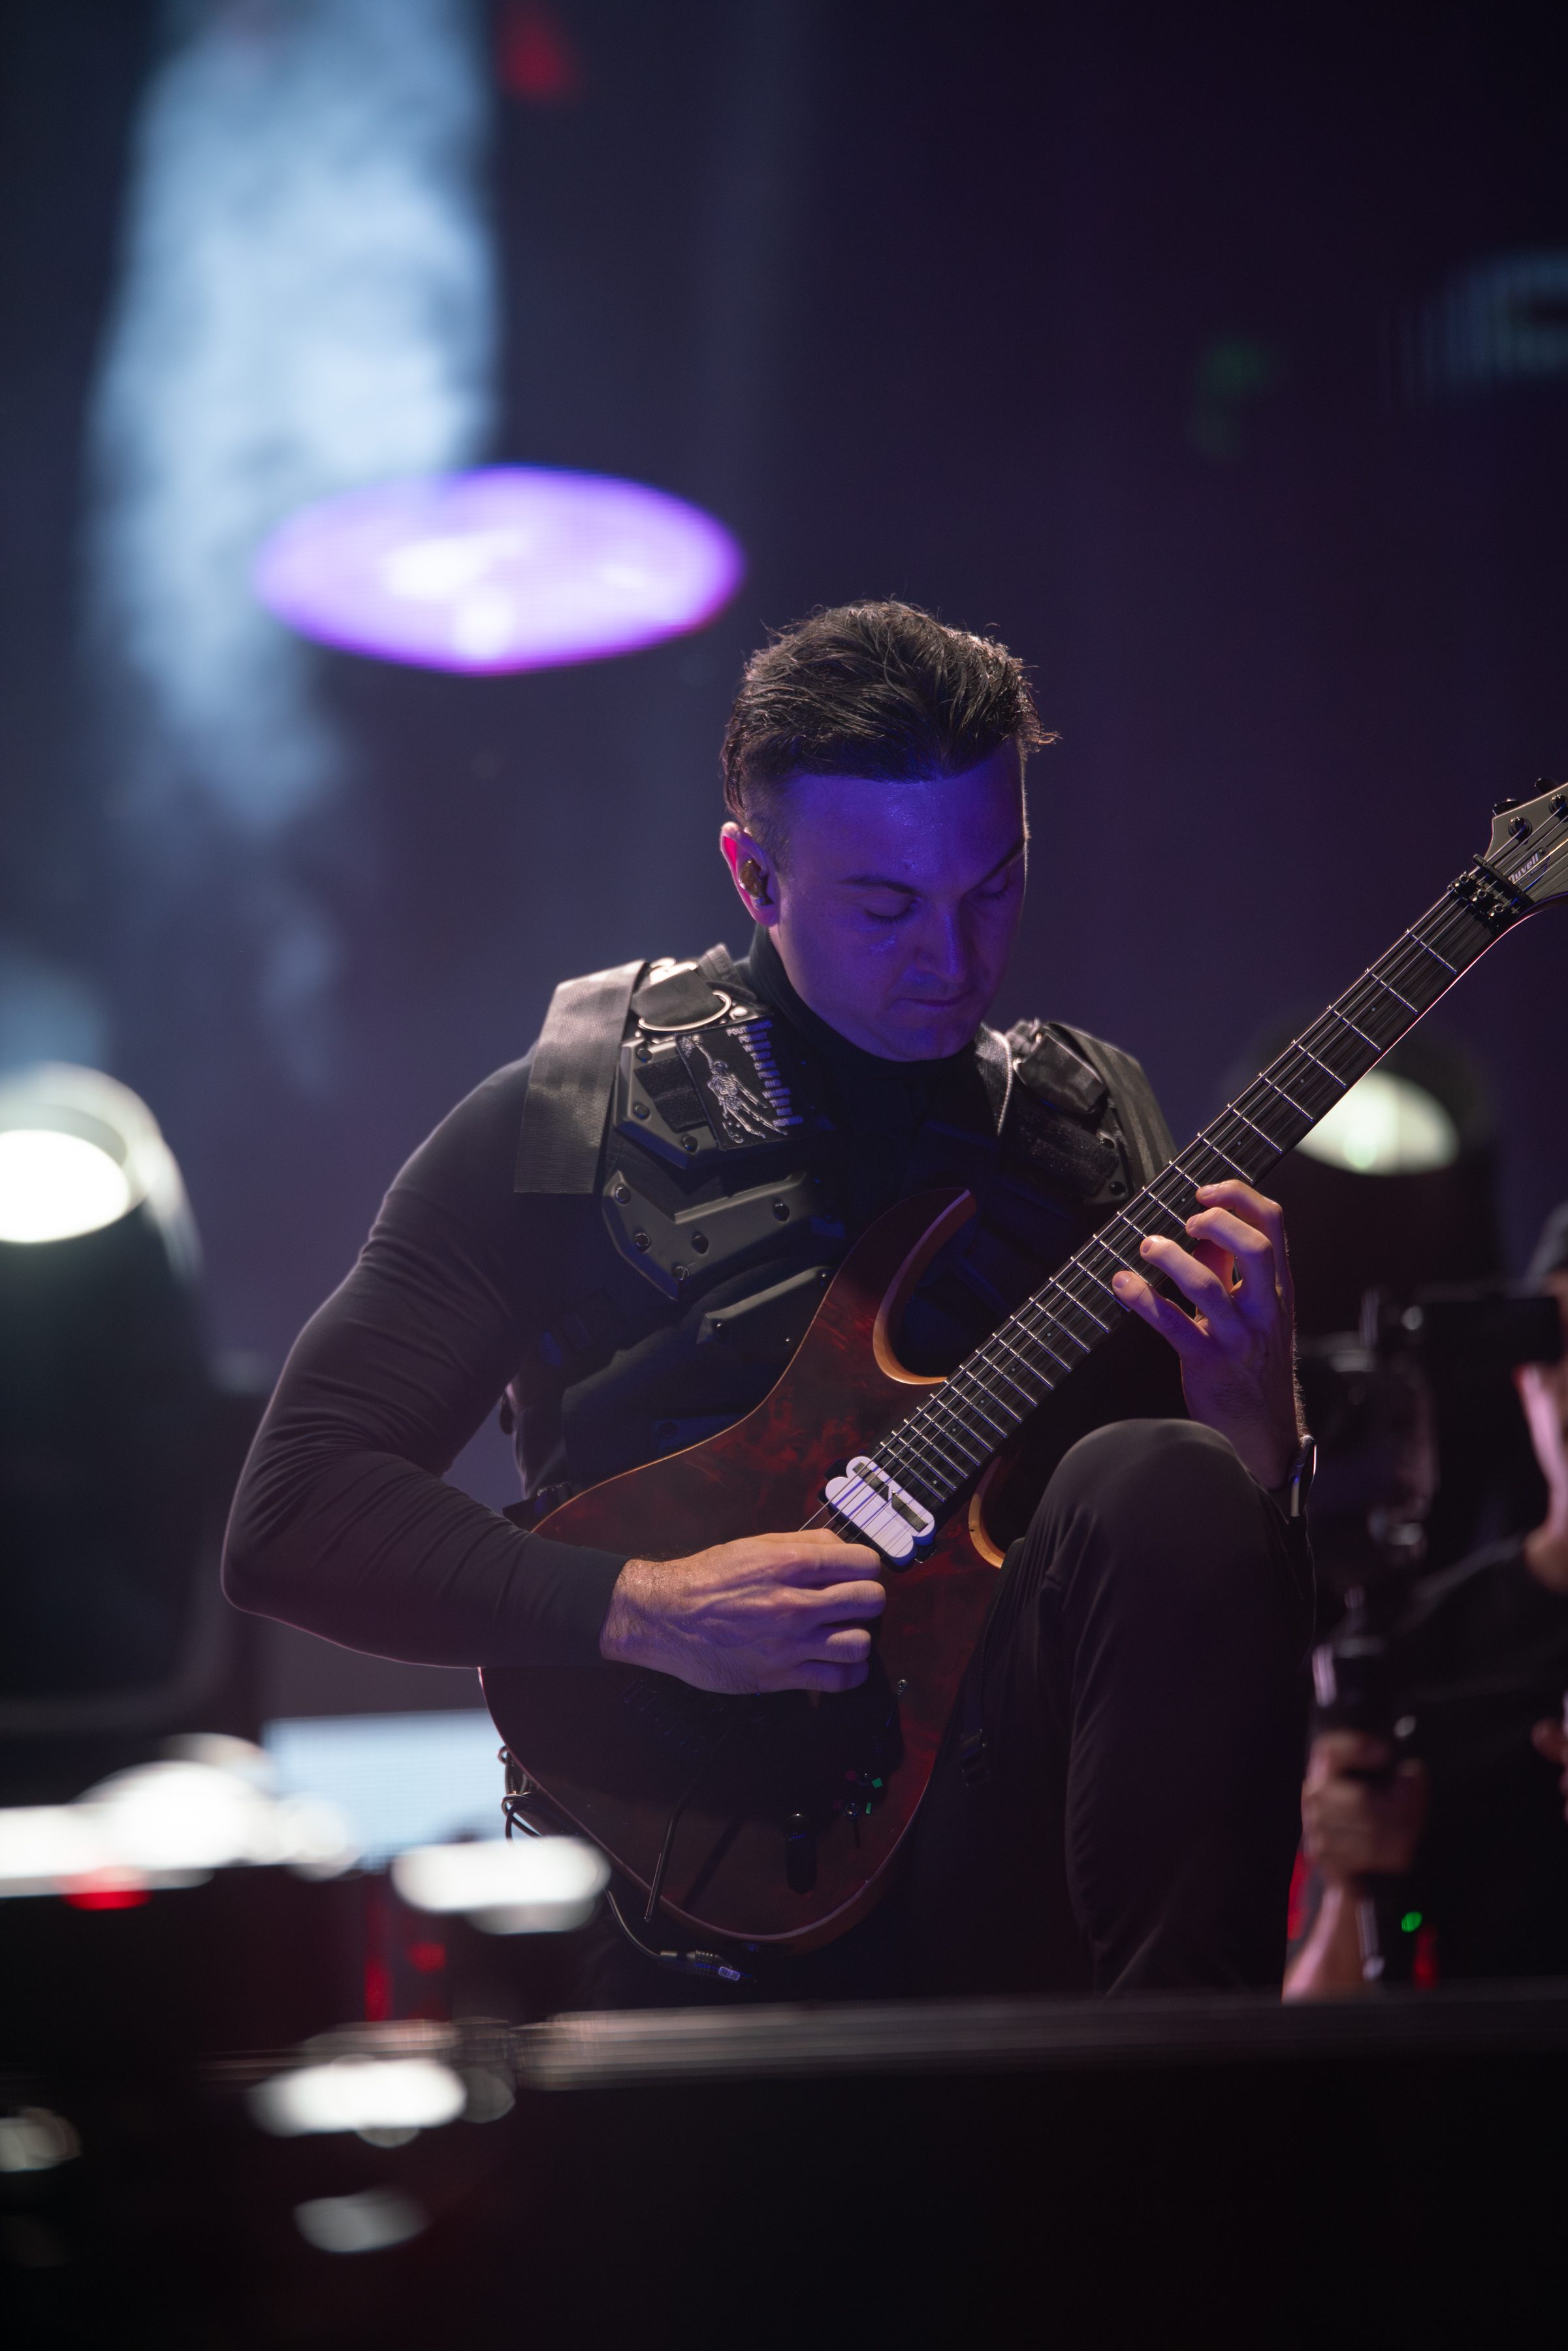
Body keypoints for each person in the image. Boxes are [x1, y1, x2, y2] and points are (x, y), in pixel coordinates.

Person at [223, 600, 1311, 2002]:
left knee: (1164, 1473)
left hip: (1009, 1856)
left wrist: (1262, 1438)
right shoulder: (567, 1118)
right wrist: (645, 1605)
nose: (954, 956)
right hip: (676, 1887)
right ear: (754, 877)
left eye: (993, 886)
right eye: (884, 905)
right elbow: (294, 1511)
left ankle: (1192, 2128)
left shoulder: (1097, 1128)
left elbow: (1200, 1618)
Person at [1285, 1204, 1568, 1996]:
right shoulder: (1411, 1652)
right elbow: (1312, 2042)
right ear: (1524, 1372)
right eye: (1558, 1340)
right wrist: (1351, 1883)